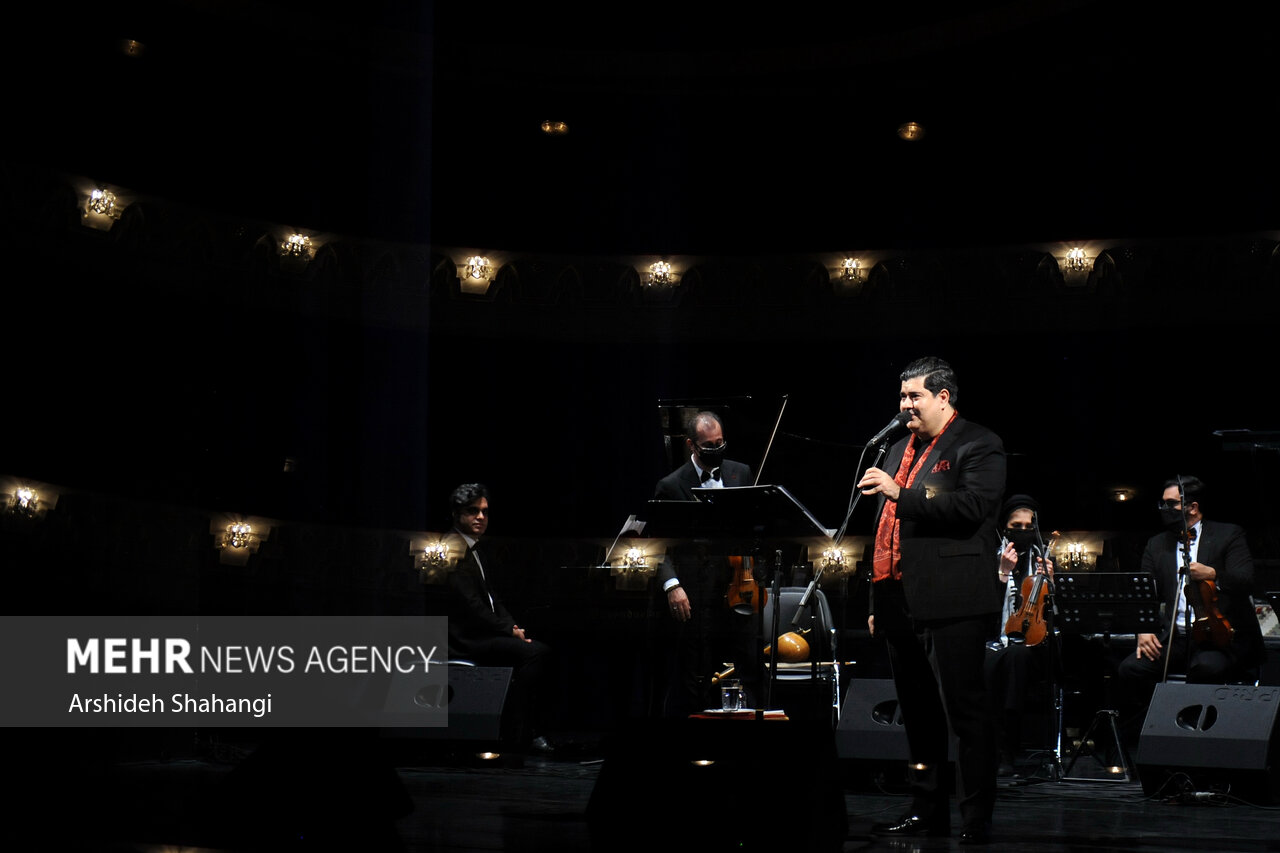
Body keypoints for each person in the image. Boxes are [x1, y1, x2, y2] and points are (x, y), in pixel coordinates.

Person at [858, 356, 1006, 845]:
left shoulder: (979, 444)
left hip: (953, 600)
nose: (904, 407)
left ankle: (975, 820)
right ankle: (926, 812)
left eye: (914, 397)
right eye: (901, 397)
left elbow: (972, 508)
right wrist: (878, 598)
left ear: (944, 397)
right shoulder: (897, 446)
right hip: (898, 597)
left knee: (965, 715)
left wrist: (901, 492)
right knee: (917, 716)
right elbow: (883, 532)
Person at [1115, 475, 1264, 745]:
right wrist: (1144, 628)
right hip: (1177, 637)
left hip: (1219, 637)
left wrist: (1214, 573)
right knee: (1131, 670)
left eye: (1170, 504)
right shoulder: (1157, 544)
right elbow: (1143, 592)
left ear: (1192, 507)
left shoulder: (1228, 534)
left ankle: (1195, 741)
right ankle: (1147, 740)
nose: (1163, 510)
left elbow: (1246, 581)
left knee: (1206, 668)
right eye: (1161, 504)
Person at [653, 409, 758, 716]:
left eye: (720, 442)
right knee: (697, 671)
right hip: (696, 591)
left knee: (749, 664)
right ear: (692, 446)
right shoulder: (671, 486)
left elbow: (753, 531)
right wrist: (673, 586)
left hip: (739, 587)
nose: (717, 449)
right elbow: (658, 545)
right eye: (709, 445)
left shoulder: (742, 473)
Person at [439, 483, 554, 754]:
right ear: (457, 514)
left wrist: (513, 626)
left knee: (535, 650)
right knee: (536, 654)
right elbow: (471, 607)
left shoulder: (474, 548)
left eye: (485, 512)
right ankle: (518, 731)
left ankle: (523, 729)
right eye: (473, 511)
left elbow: (493, 599)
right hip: (465, 638)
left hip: (483, 632)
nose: (480, 517)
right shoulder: (451, 548)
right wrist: (507, 631)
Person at [986, 494, 1057, 777]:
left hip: (1034, 644)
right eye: (1017, 525)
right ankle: (991, 747)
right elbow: (986, 611)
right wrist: (1002, 574)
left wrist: (1051, 584)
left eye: (1029, 526)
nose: (1023, 531)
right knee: (992, 660)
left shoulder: (1043, 558)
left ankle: (1007, 748)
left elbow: (1056, 615)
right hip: (995, 638)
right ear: (1004, 527)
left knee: (1016, 657)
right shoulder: (990, 556)